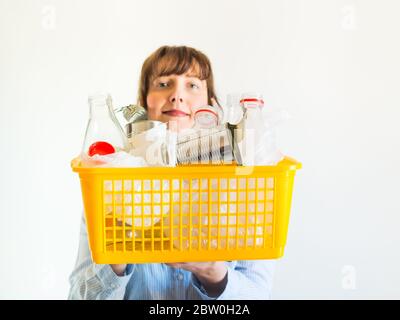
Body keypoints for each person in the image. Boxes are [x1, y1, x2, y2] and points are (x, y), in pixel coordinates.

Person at [68, 45, 276, 300]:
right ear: (143, 102)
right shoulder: (111, 186)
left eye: (193, 85)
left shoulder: (244, 184)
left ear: (211, 105)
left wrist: (215, 274)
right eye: (164, 83)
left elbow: (259, 295)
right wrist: (114, 260)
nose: (177, 95)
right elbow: (78, 297)